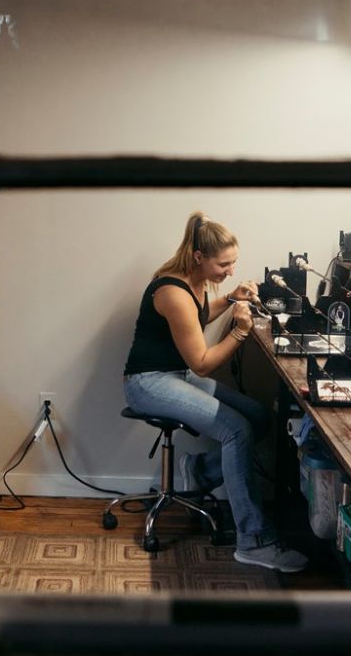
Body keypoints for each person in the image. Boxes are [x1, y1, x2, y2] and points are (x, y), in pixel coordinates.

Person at [121, 211, 308, 573]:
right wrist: (239, 331)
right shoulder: (172, 291)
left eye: (234, 263)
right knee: (236, 429)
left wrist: (228, 300)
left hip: (174, 375)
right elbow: (203, 363)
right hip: (148, 383)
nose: (230, 272)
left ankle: (200, 473)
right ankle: (254, 541)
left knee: (257, 417)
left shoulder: (195, 281)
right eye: (224, 264)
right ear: (199, 258)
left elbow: (193, 322)